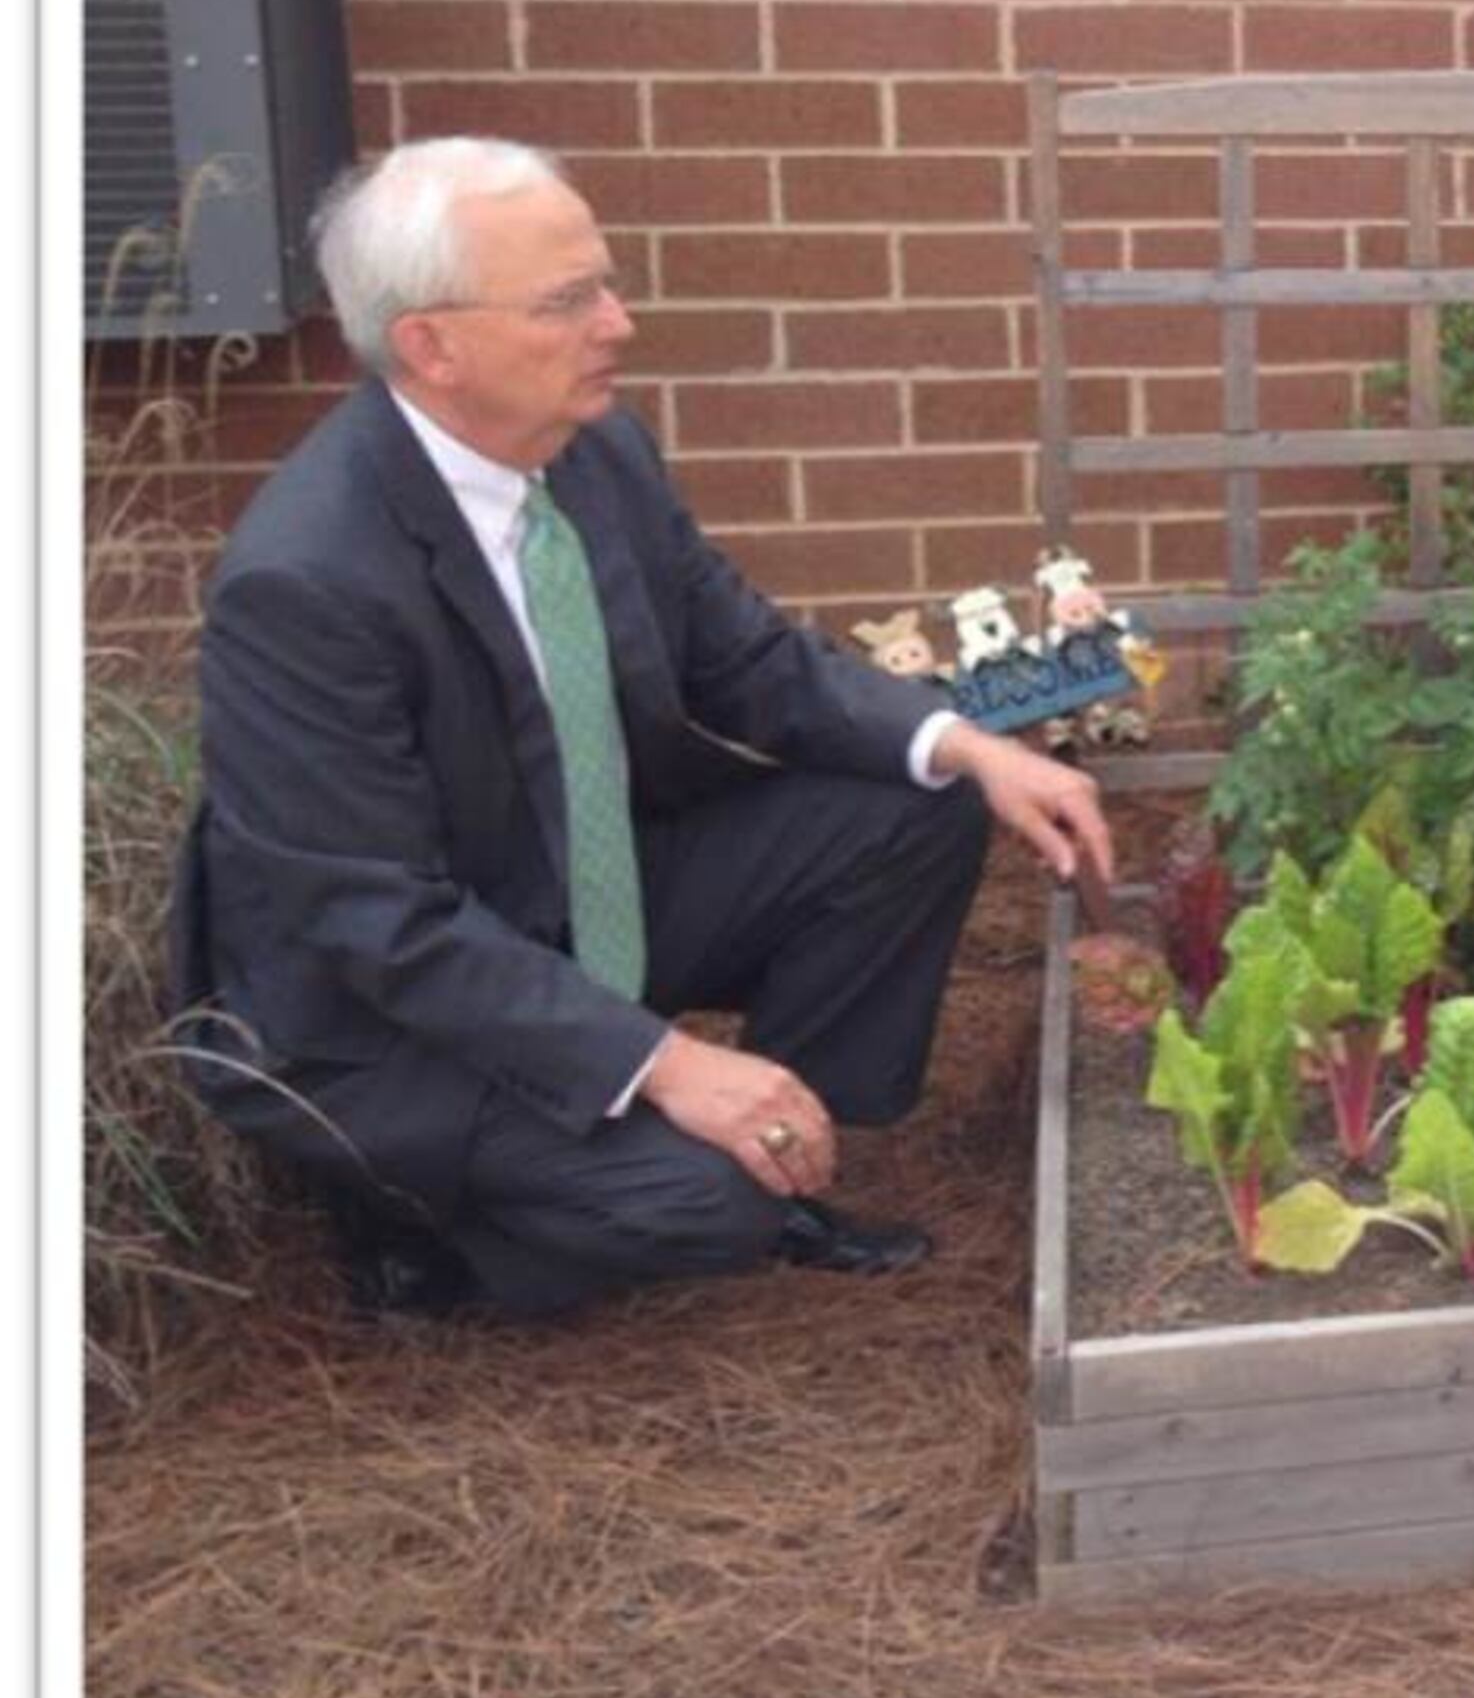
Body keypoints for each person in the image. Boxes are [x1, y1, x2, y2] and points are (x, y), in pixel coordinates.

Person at [167, 136, 1118, 1321]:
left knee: (908, 799)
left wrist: (969, 744)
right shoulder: (307, 579)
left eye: (607, 284)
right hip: (397, 1007)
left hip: (572, 889)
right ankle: (423, 1237)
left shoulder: (596, 451)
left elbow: (747, 658)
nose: (617, 323)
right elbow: (377, 922)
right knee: (701, 1211)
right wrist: (665, 1064)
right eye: (569, 301)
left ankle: (781, 1146)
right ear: (432, 346)